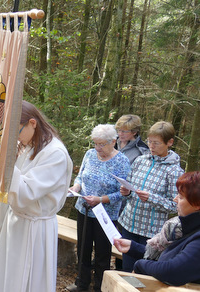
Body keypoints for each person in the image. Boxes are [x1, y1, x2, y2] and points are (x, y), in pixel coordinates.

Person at [0, 101, 73, 292]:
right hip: (14, 223)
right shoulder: (27, 144)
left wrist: (3, 160)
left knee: (27, 282)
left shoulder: (55, 153)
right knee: (5, 280)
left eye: (17, 131)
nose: (15, 139)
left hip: (35, 228)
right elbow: (8, 188)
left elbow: (27, 192)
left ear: (32, 123)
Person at [66, 124, 131, 292]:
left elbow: (123, 193)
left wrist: (101, 199)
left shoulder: (122, 161)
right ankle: (81, 283)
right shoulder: (89, 154)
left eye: (102, 144)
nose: (98, 148)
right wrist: (76, 187)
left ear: (113, 141)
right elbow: (80, 176)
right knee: (83, 248)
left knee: (102, 253)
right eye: (96, 143)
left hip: (106, 214)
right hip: (84, 209)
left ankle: (100, 287)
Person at [118, 121, 184, 272]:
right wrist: (127, 193)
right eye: (149, 142)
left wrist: (151, 198)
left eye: (156, 143)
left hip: (150, 232)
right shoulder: (140, 161)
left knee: (143, 272)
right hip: (128, 224)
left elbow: (175, 205)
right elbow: (129, 189)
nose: (151, 146)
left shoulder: (175, 171)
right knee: (126, 269)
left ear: (170, 143)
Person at [113, 171, 200, 286]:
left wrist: (140, 265)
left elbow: (173, 270)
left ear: (197, 204)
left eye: (181, 197)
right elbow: (168, 256)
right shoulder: (179, 228)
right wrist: (133, 247)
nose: (175, 199)